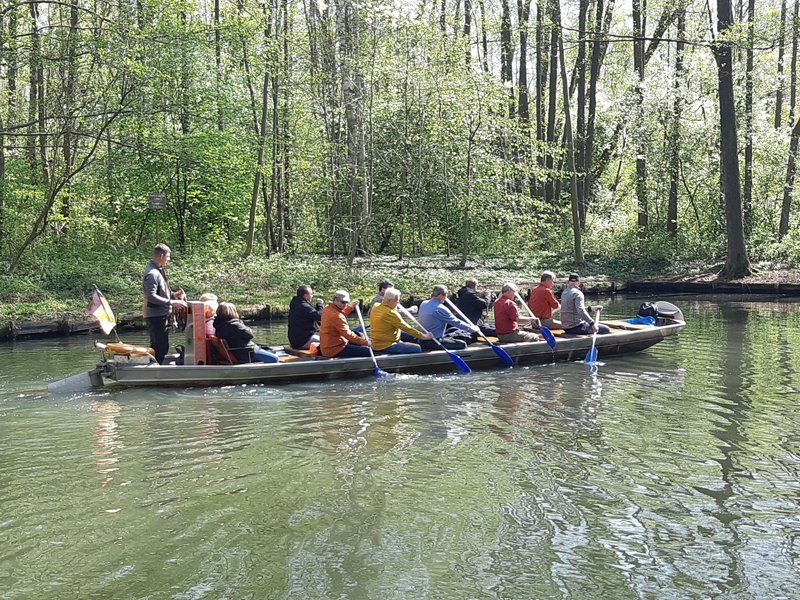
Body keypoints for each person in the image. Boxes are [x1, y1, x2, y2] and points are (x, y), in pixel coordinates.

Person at [142, 243, 187, 364]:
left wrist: (174, 294)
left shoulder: (158, 270)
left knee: (162, 345)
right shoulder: (152, 274)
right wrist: (172, 302)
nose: (169, 259)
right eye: (168, 256)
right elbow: (151, 297)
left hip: (161, 314)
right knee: (160, 346)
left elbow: (160, 292)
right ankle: (155, 371)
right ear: (161, 255)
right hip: (156, 316)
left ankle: (156, 366)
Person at [370, 288, 433, 354]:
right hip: (386, 346)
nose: (398, 303)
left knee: (407, 336)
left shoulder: (376, 306)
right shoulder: (390, 313)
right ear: (390, 300)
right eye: (397, 301)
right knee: (418, 348)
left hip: (376, 343)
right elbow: (406, 327)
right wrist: (423, 336)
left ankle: (403, 344)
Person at [213, 302, 280, 363]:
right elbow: (250, 335)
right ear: (232, 311)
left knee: (270, 350)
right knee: (275, 358)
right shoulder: (234, 325)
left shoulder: (219, 325)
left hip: (238, 352)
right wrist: (241, 323)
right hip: (247, 353)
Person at [417, 284, 478, 350]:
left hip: (422, 339)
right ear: (440, 295)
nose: (446, 298)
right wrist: (471, 329)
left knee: (453, 330)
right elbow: (456, 322)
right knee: (462, 344)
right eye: (446, 295)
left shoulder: (423, 303)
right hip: (434, 341)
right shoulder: (440, 308)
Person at [320, 290, 372, 358]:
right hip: (335, 350)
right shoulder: (336, 315)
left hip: (330, 346)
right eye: (343, 302)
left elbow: (340, 315)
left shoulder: (327, 308)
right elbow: (348, 335)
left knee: (360, 335)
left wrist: (350, 307)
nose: (345, 305)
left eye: (347, 302)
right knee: (369, 351)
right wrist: (367, 343)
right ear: (335, 300)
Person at [288, 285, 323, 349]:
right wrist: (320, 305)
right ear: (306, 295)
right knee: (331, 341)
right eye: (311, 294)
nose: (312, 296)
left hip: (295, 342)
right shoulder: (303, 306)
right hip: (303, 342)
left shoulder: (296, 304)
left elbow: (314, 316)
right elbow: (320, 316)